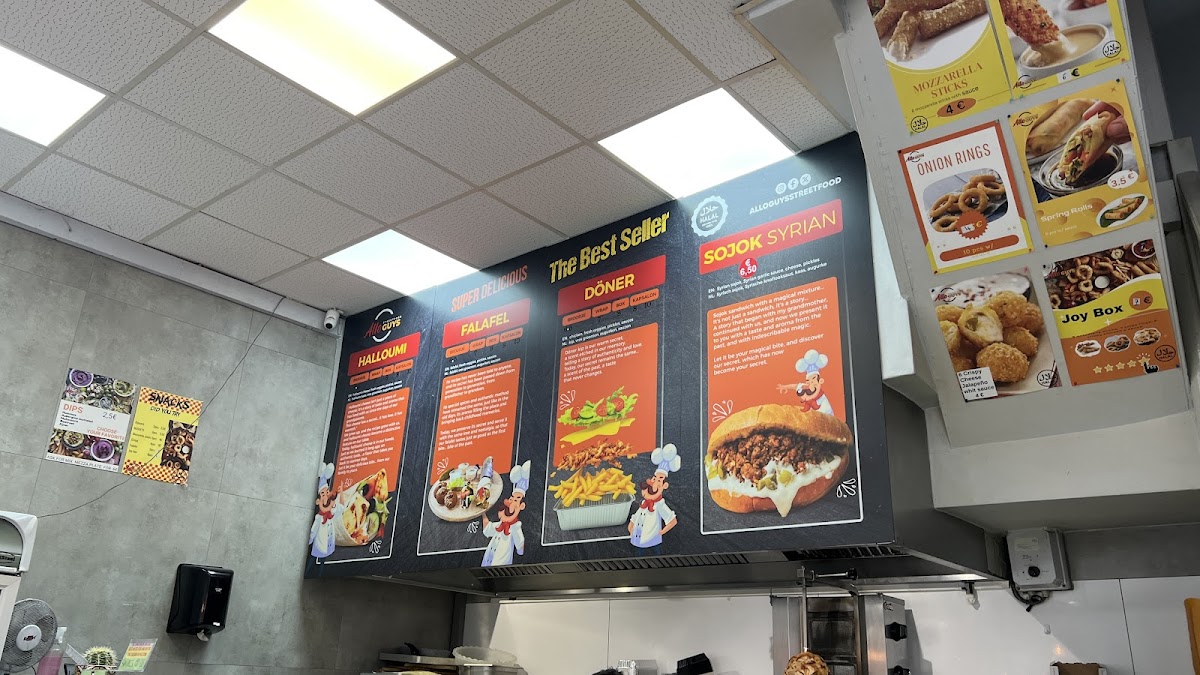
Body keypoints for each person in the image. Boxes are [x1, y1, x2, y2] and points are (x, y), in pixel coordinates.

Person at [629, 444, 680, 553]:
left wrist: (660, 533)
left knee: (657, 556)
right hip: (636, 540)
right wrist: (631, 527)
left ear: (664, 485)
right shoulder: (645, 502)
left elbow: (672, 520)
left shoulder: (660, 504)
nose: (654, 482)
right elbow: (636, 516)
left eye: (659, 479)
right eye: (654, 478)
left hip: (652, 541)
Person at [482, 460, 531, 567]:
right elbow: (488, 528)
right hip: (486, 564)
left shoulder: (515, 527)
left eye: (516, 499)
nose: (511, 501)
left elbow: (521, 550)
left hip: (500, 567)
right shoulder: (501, 524)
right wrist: (482, 511)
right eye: (511, 498)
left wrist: (517, 536)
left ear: (522, 506)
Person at [778, 349, 834, 415]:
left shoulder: (823, 400)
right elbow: (795, 386)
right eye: (808, 381)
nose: (811, 383)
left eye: (813, 380)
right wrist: (784, 387)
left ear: (820, 381)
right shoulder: (805, 388)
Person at [309, 463, 336, 563]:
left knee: (325, 561)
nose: (326, 496)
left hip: (330, 545)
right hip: (320, 546)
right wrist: (309, 541)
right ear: (318, 501)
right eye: (323, 494)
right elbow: (313, 531)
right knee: (316, 561)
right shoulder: (318, 517)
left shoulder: (331, 512)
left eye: (327, 492)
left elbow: (338, 510)